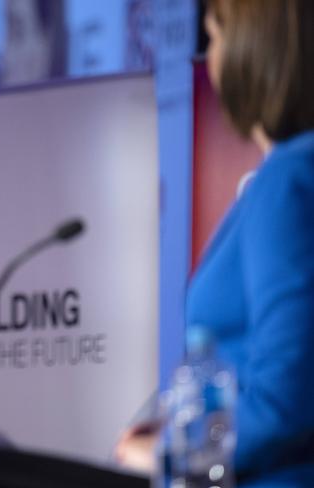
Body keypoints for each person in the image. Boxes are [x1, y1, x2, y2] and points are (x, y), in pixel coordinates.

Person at [115, 0, 314, 486]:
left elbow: (285, 401)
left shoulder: (286, 184)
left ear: (254, 50)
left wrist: (165, 454)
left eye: (216, 37)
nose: (212, 57)